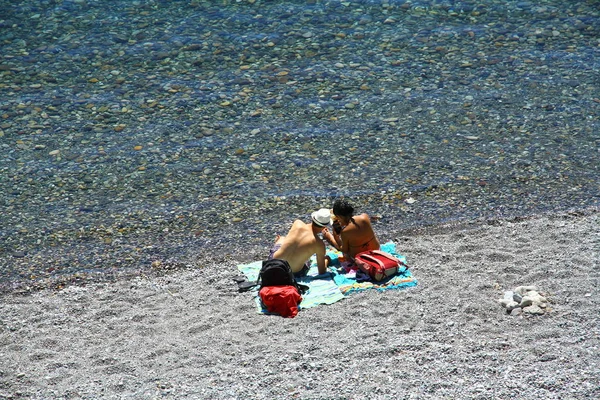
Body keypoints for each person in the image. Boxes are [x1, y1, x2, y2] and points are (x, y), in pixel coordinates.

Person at [267, 208, 332, 276]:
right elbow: (321, 271)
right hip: (292, 273)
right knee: (307, 258)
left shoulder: (297, 223)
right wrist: (327, 260)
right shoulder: (319, 244)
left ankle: (279, 241)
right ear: (324, 226)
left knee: (282, 239)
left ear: (313, 218)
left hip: (273, 263)